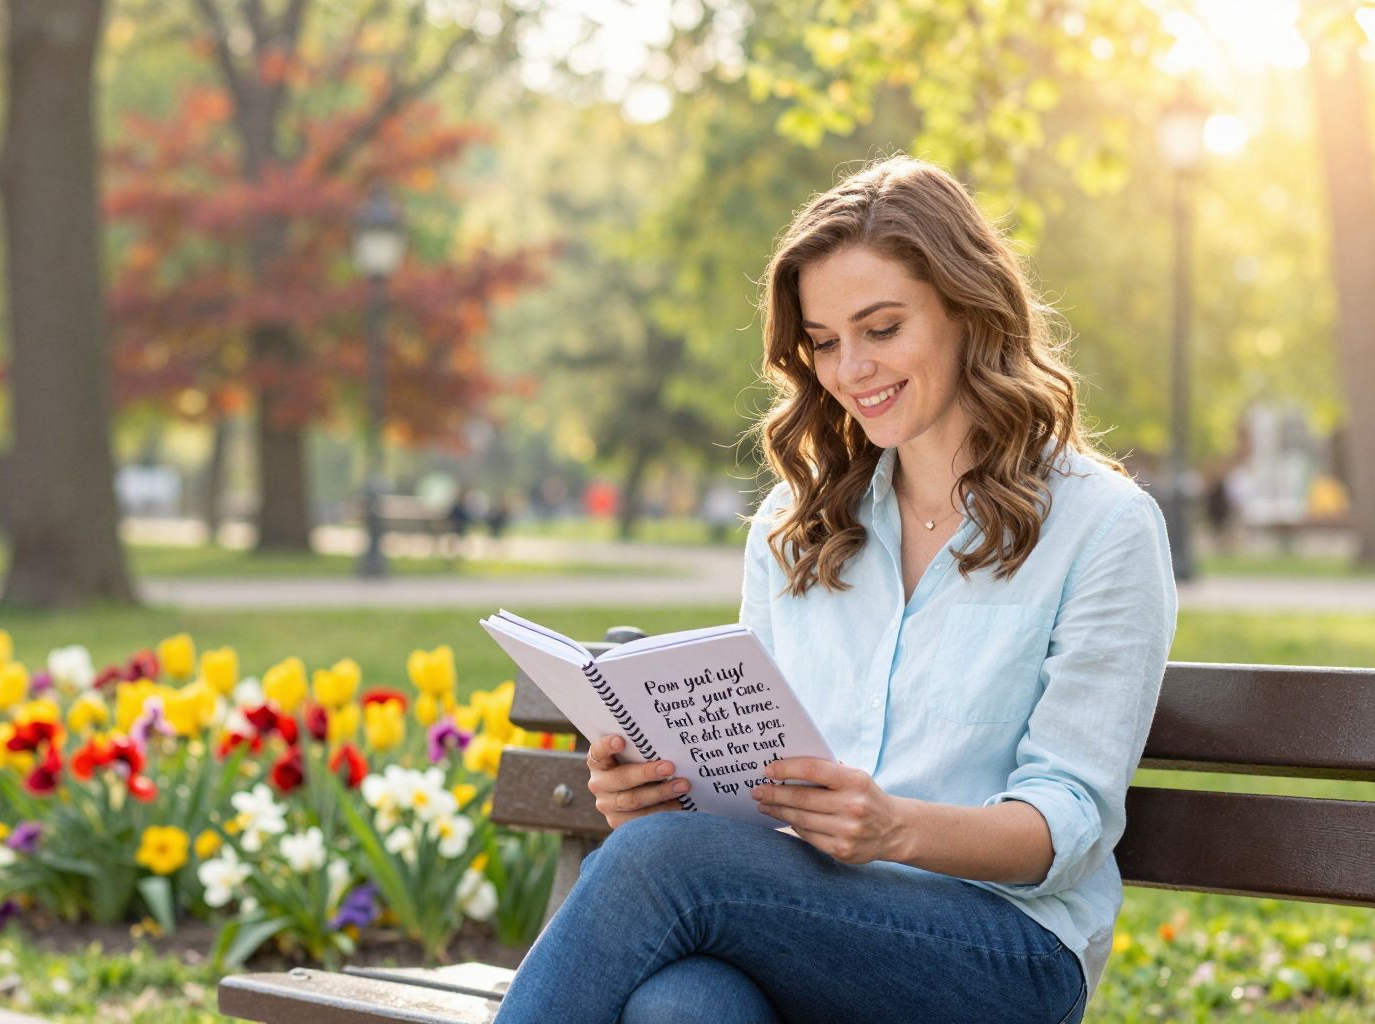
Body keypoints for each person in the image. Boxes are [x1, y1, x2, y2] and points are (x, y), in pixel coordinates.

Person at [495, 156, 1177, 1024]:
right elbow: (746, 780)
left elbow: (1069, 818)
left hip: (1003, 954)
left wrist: (898, 830)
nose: (850, 370)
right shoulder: (798, 522)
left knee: (662, 865)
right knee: (683, 1009)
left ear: (969, 312)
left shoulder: (1102, 526)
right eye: (822, 341)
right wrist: (659, 791)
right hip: (804, 923)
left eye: (882, 328)